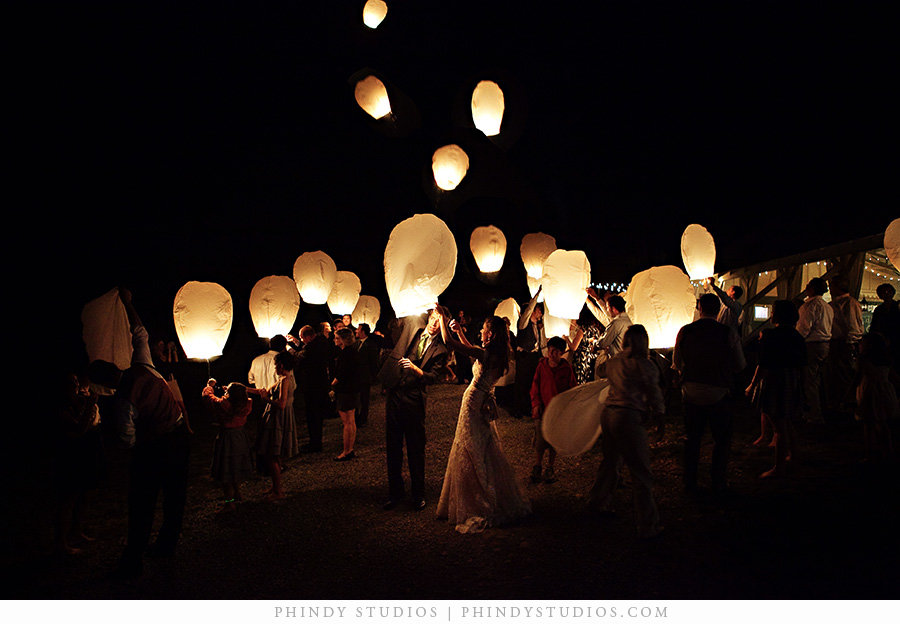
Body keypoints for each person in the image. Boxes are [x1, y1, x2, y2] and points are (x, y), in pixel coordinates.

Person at [88, 288, 191, 579]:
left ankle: (134, 557)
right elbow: (140, 333)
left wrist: (137, 452)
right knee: (175, 497)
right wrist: (128, 304)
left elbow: (127, 438)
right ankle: (166, 544)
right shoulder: (142, 365)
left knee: (143, 501)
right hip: (180, 435)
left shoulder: (123, 399)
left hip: (157, 446)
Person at [436, 311, 532, 533]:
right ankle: (490, 492)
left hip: (474, 403)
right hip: (483, 401)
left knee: (470, 446)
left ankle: (478, 499)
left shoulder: (486, 354)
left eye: (484, 329)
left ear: (491, 334)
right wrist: (460, 331)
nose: (481, 331)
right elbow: (471, 348)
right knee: (483, 446)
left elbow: (447, 341)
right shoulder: (498, 354)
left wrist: (442, 318)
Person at [587, 325, 665, 539]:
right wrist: (659, 415)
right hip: (629, 417)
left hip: (610, 414)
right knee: (640, 471)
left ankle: (597, 502)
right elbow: (654, 392)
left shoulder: (615, 362)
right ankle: (647, 524)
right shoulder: (645, 365)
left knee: (610, 462)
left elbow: (601, 371)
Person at [673, 293, 747, 496]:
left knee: (692, 439)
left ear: (699, 308)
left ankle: (690, 482)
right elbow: (740, 364)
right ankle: (718, 481)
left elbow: (677, 362)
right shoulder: (728, 332)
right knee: (722, 440)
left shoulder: (686, 331)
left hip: (691, 391)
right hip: (719, 391)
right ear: (718, 310)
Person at [379, 307, 450, 512]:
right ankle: (395, 493)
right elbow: (396, 325)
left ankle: (418, 494)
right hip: (395, 395)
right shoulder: (413, 330)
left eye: (440, 320)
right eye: (434, 318)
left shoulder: (441, 350)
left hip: (414, 399)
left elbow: (433, 378)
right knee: (393, 447)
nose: (435, 322)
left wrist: (417, 370)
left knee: (415, 449)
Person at [744, 300, 807, 478]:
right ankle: (794, 456)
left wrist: (752, 385)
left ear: (776, 315)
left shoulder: (770, 336)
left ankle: (778, 467)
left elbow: (763, 364)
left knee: (779, 426)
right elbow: (803, 365)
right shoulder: (797, 337)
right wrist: (802, 387)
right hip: (791, 380)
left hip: (775, 380)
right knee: (786, 422)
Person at [53, 371, 105, 556]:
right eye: (73, 382)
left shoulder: (77, 401)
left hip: (83, 455)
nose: (77, 385)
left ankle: (77, 531)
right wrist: (90, 405)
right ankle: (61, 542)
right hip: (69, 458)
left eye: (76, 381)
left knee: (84, 493)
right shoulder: (61, 409)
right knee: (68, 498)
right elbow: (79, 428)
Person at [251, 350, 298, 500]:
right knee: (274, 455)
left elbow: (282, 403)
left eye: (276, 365)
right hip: (279, 417)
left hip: (278, 418)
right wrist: (242, 389)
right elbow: (264, 391)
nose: (275, 367)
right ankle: (275, 487)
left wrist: (266, 400)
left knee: (273, 455)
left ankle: (278, 491)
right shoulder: (284, 378)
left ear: (281, 365)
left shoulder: (285, 380)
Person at [529, 336, 576, 484]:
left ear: (562, 353)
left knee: (554, 440)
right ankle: (537, 465)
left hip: (558, 412)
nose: (551, 354)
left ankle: (550, 467)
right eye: (550, 350)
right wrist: (536, 404)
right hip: (543, 409)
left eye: (555, 351)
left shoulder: (566, 369)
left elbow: (572, 389)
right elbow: (535, 387)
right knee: (541, 439)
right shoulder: (542, 366)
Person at [202, 379, 253, 512]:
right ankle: (237, 493)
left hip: (227, 438)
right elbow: (236, 398)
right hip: (240, 437)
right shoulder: (246, 404)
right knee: (236, 466)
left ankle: (229, 502)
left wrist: (209, 386)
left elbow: (208, 398)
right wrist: (230, 390)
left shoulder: (223, 405)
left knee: (226, 470)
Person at [855, 332, 898, 463]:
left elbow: (857, 378)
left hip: (869, 392)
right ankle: (887, 450)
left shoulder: (864, 360)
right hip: (884, 391)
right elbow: (893, 376)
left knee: (868, 424)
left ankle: (870, 452)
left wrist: (846, 395)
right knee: (883, 423)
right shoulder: (886, 360)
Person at [796, 277, 834, 424]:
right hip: (825, 344)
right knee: (818, 379)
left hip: (812, 345)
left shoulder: (809, 306)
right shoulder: (827, 306)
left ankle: (814, 413)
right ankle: (821, 408)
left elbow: (804, 329)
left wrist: (796, 342)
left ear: (810, 289)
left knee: (810, 380)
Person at [827, 277, 864, 417]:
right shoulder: (837, 303)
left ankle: (848, 403)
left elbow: (853, 326)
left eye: (832, 286)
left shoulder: (849, 303)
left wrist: (850, 343)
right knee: (839, 374)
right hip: (839, 342)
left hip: (844, 343)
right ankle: (842, 402)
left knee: (845, 374)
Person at [294, 325, 332, 452]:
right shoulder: (321, 341)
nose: (302, 340)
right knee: (317, 415)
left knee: (313, 415)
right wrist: (297, 342)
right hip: (321, 384)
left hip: (313, 386)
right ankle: (316, 441)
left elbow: (300, 357)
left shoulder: (311, 348)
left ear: (309, 337)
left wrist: (288, 348)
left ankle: (315, 443)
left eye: (302, 338)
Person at [514, 286, 548, 419]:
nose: (541, 313)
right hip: (523, 357)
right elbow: (528, 310)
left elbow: (540, 344)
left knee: (531, 383)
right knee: (521, 383)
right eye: (539, 310)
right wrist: (538, 294)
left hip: (533, 357)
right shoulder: (523, 323)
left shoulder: (537, 327)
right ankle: (518, 409)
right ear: (533, 311)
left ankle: (529, 408)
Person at [332, 328, 362, 461]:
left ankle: (346, 450)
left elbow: (341, 374)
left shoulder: (345, 354)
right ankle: (350, 448)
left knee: (347, 422)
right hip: (353, 389)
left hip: (345, 391)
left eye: (336, 338)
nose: (334, 340)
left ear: (343, 340)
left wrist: (332, 384)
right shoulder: (354, 352)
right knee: (351, 420)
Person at [594, 295, 632, 378]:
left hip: (617, 363)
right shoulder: (629, 320)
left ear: (613, 308)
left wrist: (595, 342)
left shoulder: (616, 323)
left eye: (608, 307)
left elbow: (603, 343)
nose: (607, 310)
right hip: (627, 363)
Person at [565, 307, 604, 384]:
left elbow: (574, 347)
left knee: (579, 384)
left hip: (581, 361)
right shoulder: (595, 329)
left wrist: (566, 338)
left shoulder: (582, 330)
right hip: (591, 361)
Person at [355, 323, 382, 427]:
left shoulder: (371, 345)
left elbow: (373, 361)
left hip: (365, 376)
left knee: (364, 398)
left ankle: (363, 418)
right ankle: (356, 417)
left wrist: (373, 376)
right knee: (357, 398)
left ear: (363, 331)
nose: (356, 331)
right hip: (357, 376)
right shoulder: (356, 343)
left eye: (358, 329)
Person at [870, 283, 900, 375]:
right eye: (884, 292)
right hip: (883, 343)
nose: (886, 294)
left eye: (888, 292)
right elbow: (874, 326)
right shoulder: (879, 310)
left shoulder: (897, 307)